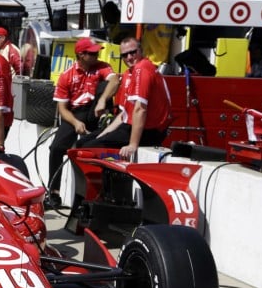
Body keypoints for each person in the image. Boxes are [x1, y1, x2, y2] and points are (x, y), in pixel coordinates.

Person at [78, 36, 172, 160]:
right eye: (124, 55)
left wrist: (133, 145)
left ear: (141, 50)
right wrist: (104, 133)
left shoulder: (142, 69)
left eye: (133, 52)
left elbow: (140, 109)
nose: (129, 57)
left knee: (88, 148)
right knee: (83, 143)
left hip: (150, 130)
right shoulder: (129, 73)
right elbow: (124, 114)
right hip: (132, 125)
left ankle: (104, 178)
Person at [49, 37, 120, 200]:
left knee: (100, 149)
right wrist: (75, 123)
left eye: (96, 53)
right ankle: (54, 193)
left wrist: (102, 101)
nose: (96, 56)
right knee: (56, 148)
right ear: (81, 55)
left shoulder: (103, 67)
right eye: (92, 54)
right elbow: (62, 109)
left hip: (97, 110)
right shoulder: (66, 76)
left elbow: (115, 80)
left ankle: (104, 194)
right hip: (75, 113)